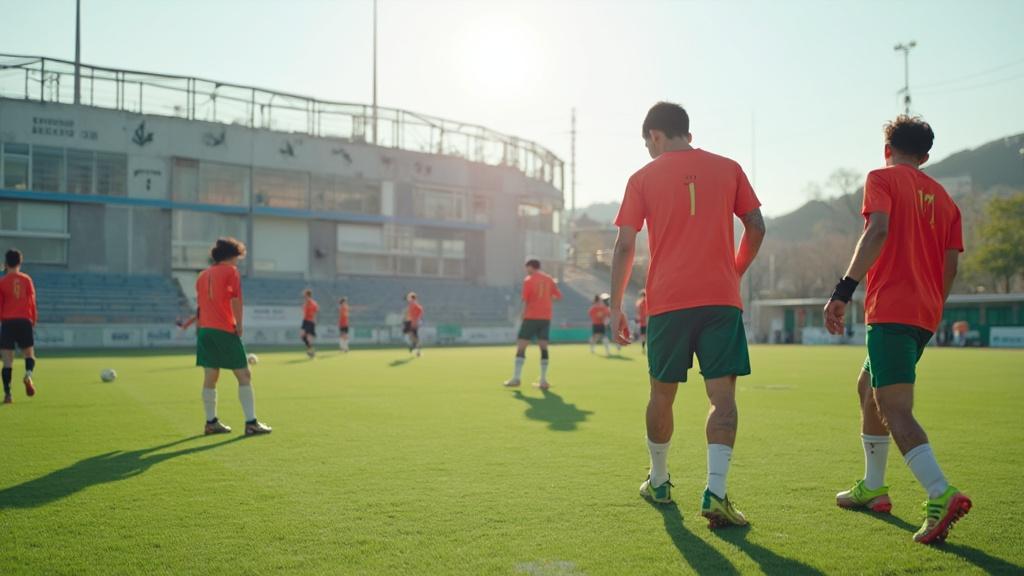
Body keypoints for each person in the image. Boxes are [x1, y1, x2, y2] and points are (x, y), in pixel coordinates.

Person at [609, 102, 765, 527]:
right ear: (686, 133)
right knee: (723, 400)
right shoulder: (729, 167)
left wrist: (614, 306)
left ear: (655, 136)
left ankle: (658, 480)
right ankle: (715, 493)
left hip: (668, 302)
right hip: (720, 301)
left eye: (647, 144)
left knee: (662, 394)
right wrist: (733, 270)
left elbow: (625, 245)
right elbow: (756, 226)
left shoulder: (641, 178)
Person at [825, 115, 970, 544]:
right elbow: (952, 264)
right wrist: (934, 305)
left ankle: (940, 492)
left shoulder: (882, 178)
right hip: (925, 313)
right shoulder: (946, 201)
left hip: (891, 309)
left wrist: (843, 289)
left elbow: (878, 230)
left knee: (894, 408)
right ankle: (874, 488)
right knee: (867, 386)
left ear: (887, 149)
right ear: (925, 156)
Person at [194, 237, 271, 436]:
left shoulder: (202, 275)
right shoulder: (231, 271)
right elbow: (236, 299)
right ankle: (251, 423)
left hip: (205, 330)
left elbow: (201, 305)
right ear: (233, 255)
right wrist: (239, 324)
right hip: (223, 329)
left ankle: (211, 423)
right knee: (244, 375)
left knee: (211, 375)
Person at [504, 259, 562, 390]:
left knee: (521, 346)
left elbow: (525, 299)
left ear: (530, 267)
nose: (526, 270)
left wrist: (521, 315)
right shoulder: (549, 279)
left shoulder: (529, 280)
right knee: (544, 347)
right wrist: (546, 300)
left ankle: (516, 378)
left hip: (531, 317)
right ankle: (543, 380)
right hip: (545, 318)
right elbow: (558, 296)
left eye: (527, 267)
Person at [0, 249, 38, 404]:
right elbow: (32, 302)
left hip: (8, 322)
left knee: (7, 361)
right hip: (24, 321)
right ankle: (28, 374)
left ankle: (8, 394)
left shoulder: (2, 282)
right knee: (29, 354)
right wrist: (33, 320)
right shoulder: (26, 279)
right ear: (20, 263)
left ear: (6, 263)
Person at [301, 288, 319, 359]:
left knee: (308, 337)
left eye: (305, 295)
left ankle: (311, 351)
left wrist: (315, 320)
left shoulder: (313, 303)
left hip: (310, 321)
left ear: (308, 295)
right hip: (305, 321)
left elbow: (316, 312)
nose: (303, 296)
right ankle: (311, 350)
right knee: (302, 336)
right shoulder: (305, 303)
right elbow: (304, 311)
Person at [403, 292, 423, 357]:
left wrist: (417, 320)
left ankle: (418, 351)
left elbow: (420, 310)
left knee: (415, 337)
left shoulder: (415, 304)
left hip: (413, 322)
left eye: (410, 297)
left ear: (412, 298)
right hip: (409, 321)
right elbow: (409, 313)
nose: (408, 299)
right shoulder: (411, 305)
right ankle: (413, 345)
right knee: (410, 334)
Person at [635, 289, 649, 353]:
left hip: (642, 321)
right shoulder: (648, 301)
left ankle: (643, 348)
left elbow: (637, 312)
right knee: (647, 335)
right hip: (647, 321)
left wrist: (638, 319)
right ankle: (647, 348)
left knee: (643, 335)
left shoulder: (639, 302)